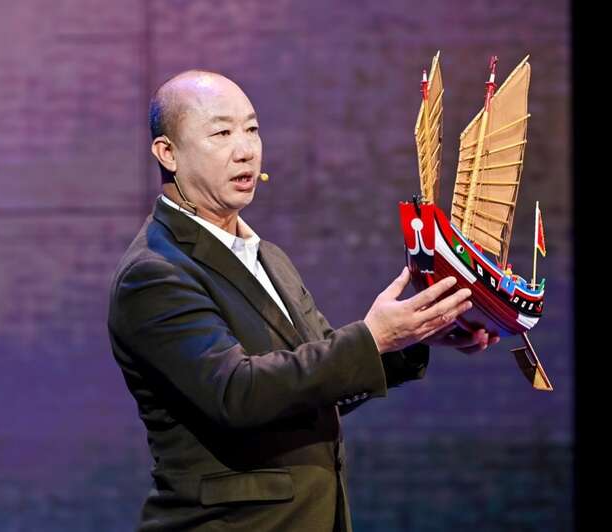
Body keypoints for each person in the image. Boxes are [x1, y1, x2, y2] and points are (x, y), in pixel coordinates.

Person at [107, 69, 499, 532]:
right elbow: (236, 393)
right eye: (222, 133)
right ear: (167, 153)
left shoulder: (267, 256)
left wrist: (413, 336)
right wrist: (373, 338)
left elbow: (316, 375)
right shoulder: (155, 272)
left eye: (252, 129)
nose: (245, 149)